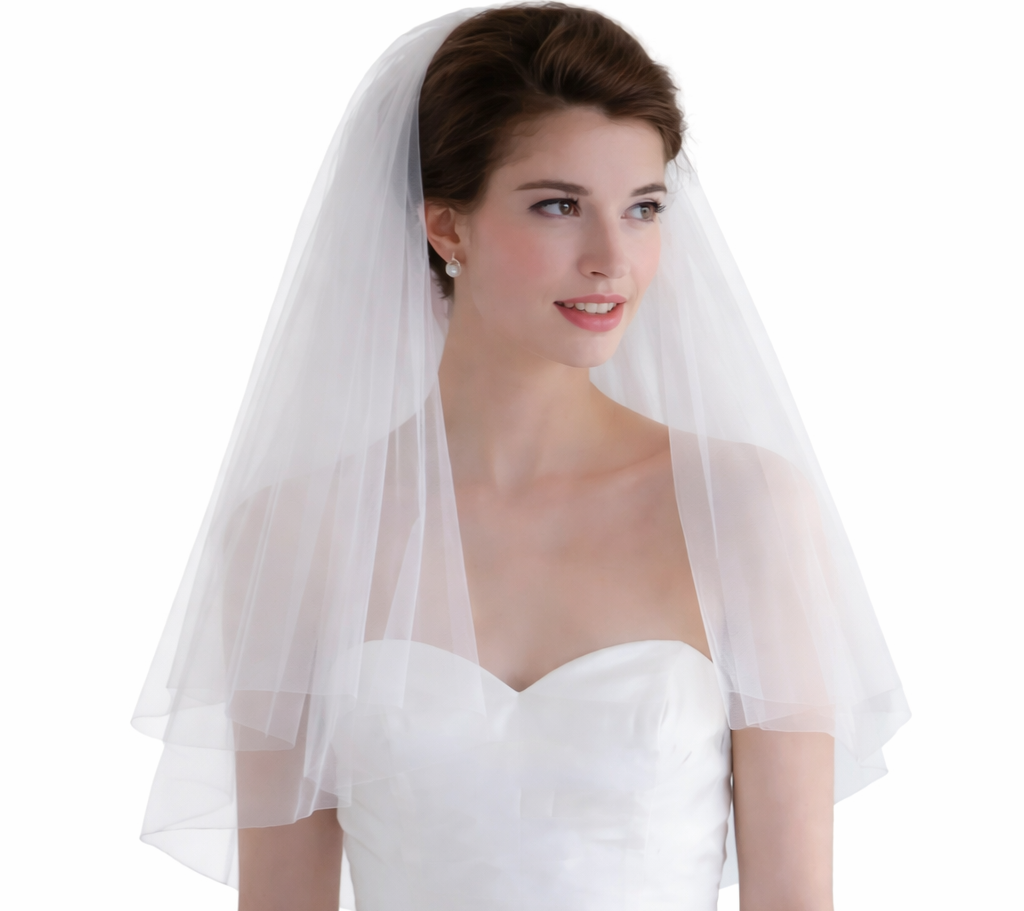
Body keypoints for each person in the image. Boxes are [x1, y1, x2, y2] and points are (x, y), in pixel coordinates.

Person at [133, 6, 909, 910]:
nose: (612, 258)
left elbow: (793, 898)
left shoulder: (743, 508)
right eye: (558, 206)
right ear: (446, 227)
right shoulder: (293, 533)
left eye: (643, 208)